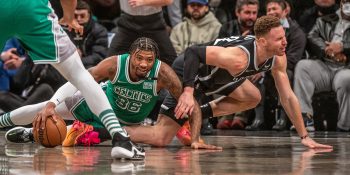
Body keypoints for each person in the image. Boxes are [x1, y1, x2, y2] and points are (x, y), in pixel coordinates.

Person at [3, 38, 219, 150]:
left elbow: (192, 102)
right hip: (92, 104)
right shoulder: (114, 65)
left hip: (117, 122)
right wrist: (52, 103)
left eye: (149, 59)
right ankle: (2, 121)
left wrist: (196, 138)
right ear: (130, 55)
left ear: (155, 60)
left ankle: (29, 134)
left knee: (63, 133)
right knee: (44, 109)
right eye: (139, 58)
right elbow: (80, 80)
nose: (143, 64)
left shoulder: (164, 74)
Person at [0, 0, 143, 159]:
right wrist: (68, 17)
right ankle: (121, 139)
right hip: (30, 8)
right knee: (80, 75)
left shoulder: (98, 33)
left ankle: (17, 127)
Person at [176, 15, 332, 149]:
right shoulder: (239, 58)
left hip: (222, 76)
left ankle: (197, 113)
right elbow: (192, 52)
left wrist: (304, 137)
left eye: (284, 36)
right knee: (160, 137)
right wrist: (188, 92)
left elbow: (288, 98)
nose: (285, 42)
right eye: (279, 39)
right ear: (263, 42)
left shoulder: (278, 57)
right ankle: (182, 115)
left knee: (253, 97)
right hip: (189, 69)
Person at [293, 0, 350, 132]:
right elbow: (312, 35)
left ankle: (345, 125)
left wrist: (343, 48)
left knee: (347, 79)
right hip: (325, 65)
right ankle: (305, 120)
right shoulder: (325, 20)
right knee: (303, 66)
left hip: (346, 67)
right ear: (341, 4)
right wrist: (327, 50)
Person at [64, 0, 109, 69]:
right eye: (75, 16)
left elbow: (99, 56)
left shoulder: (99, 31)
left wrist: (77, 61)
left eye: (82, 16)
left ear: (89, 16)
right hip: (67, 63)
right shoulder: (64, 29)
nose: (78, 19)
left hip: (88, 65)